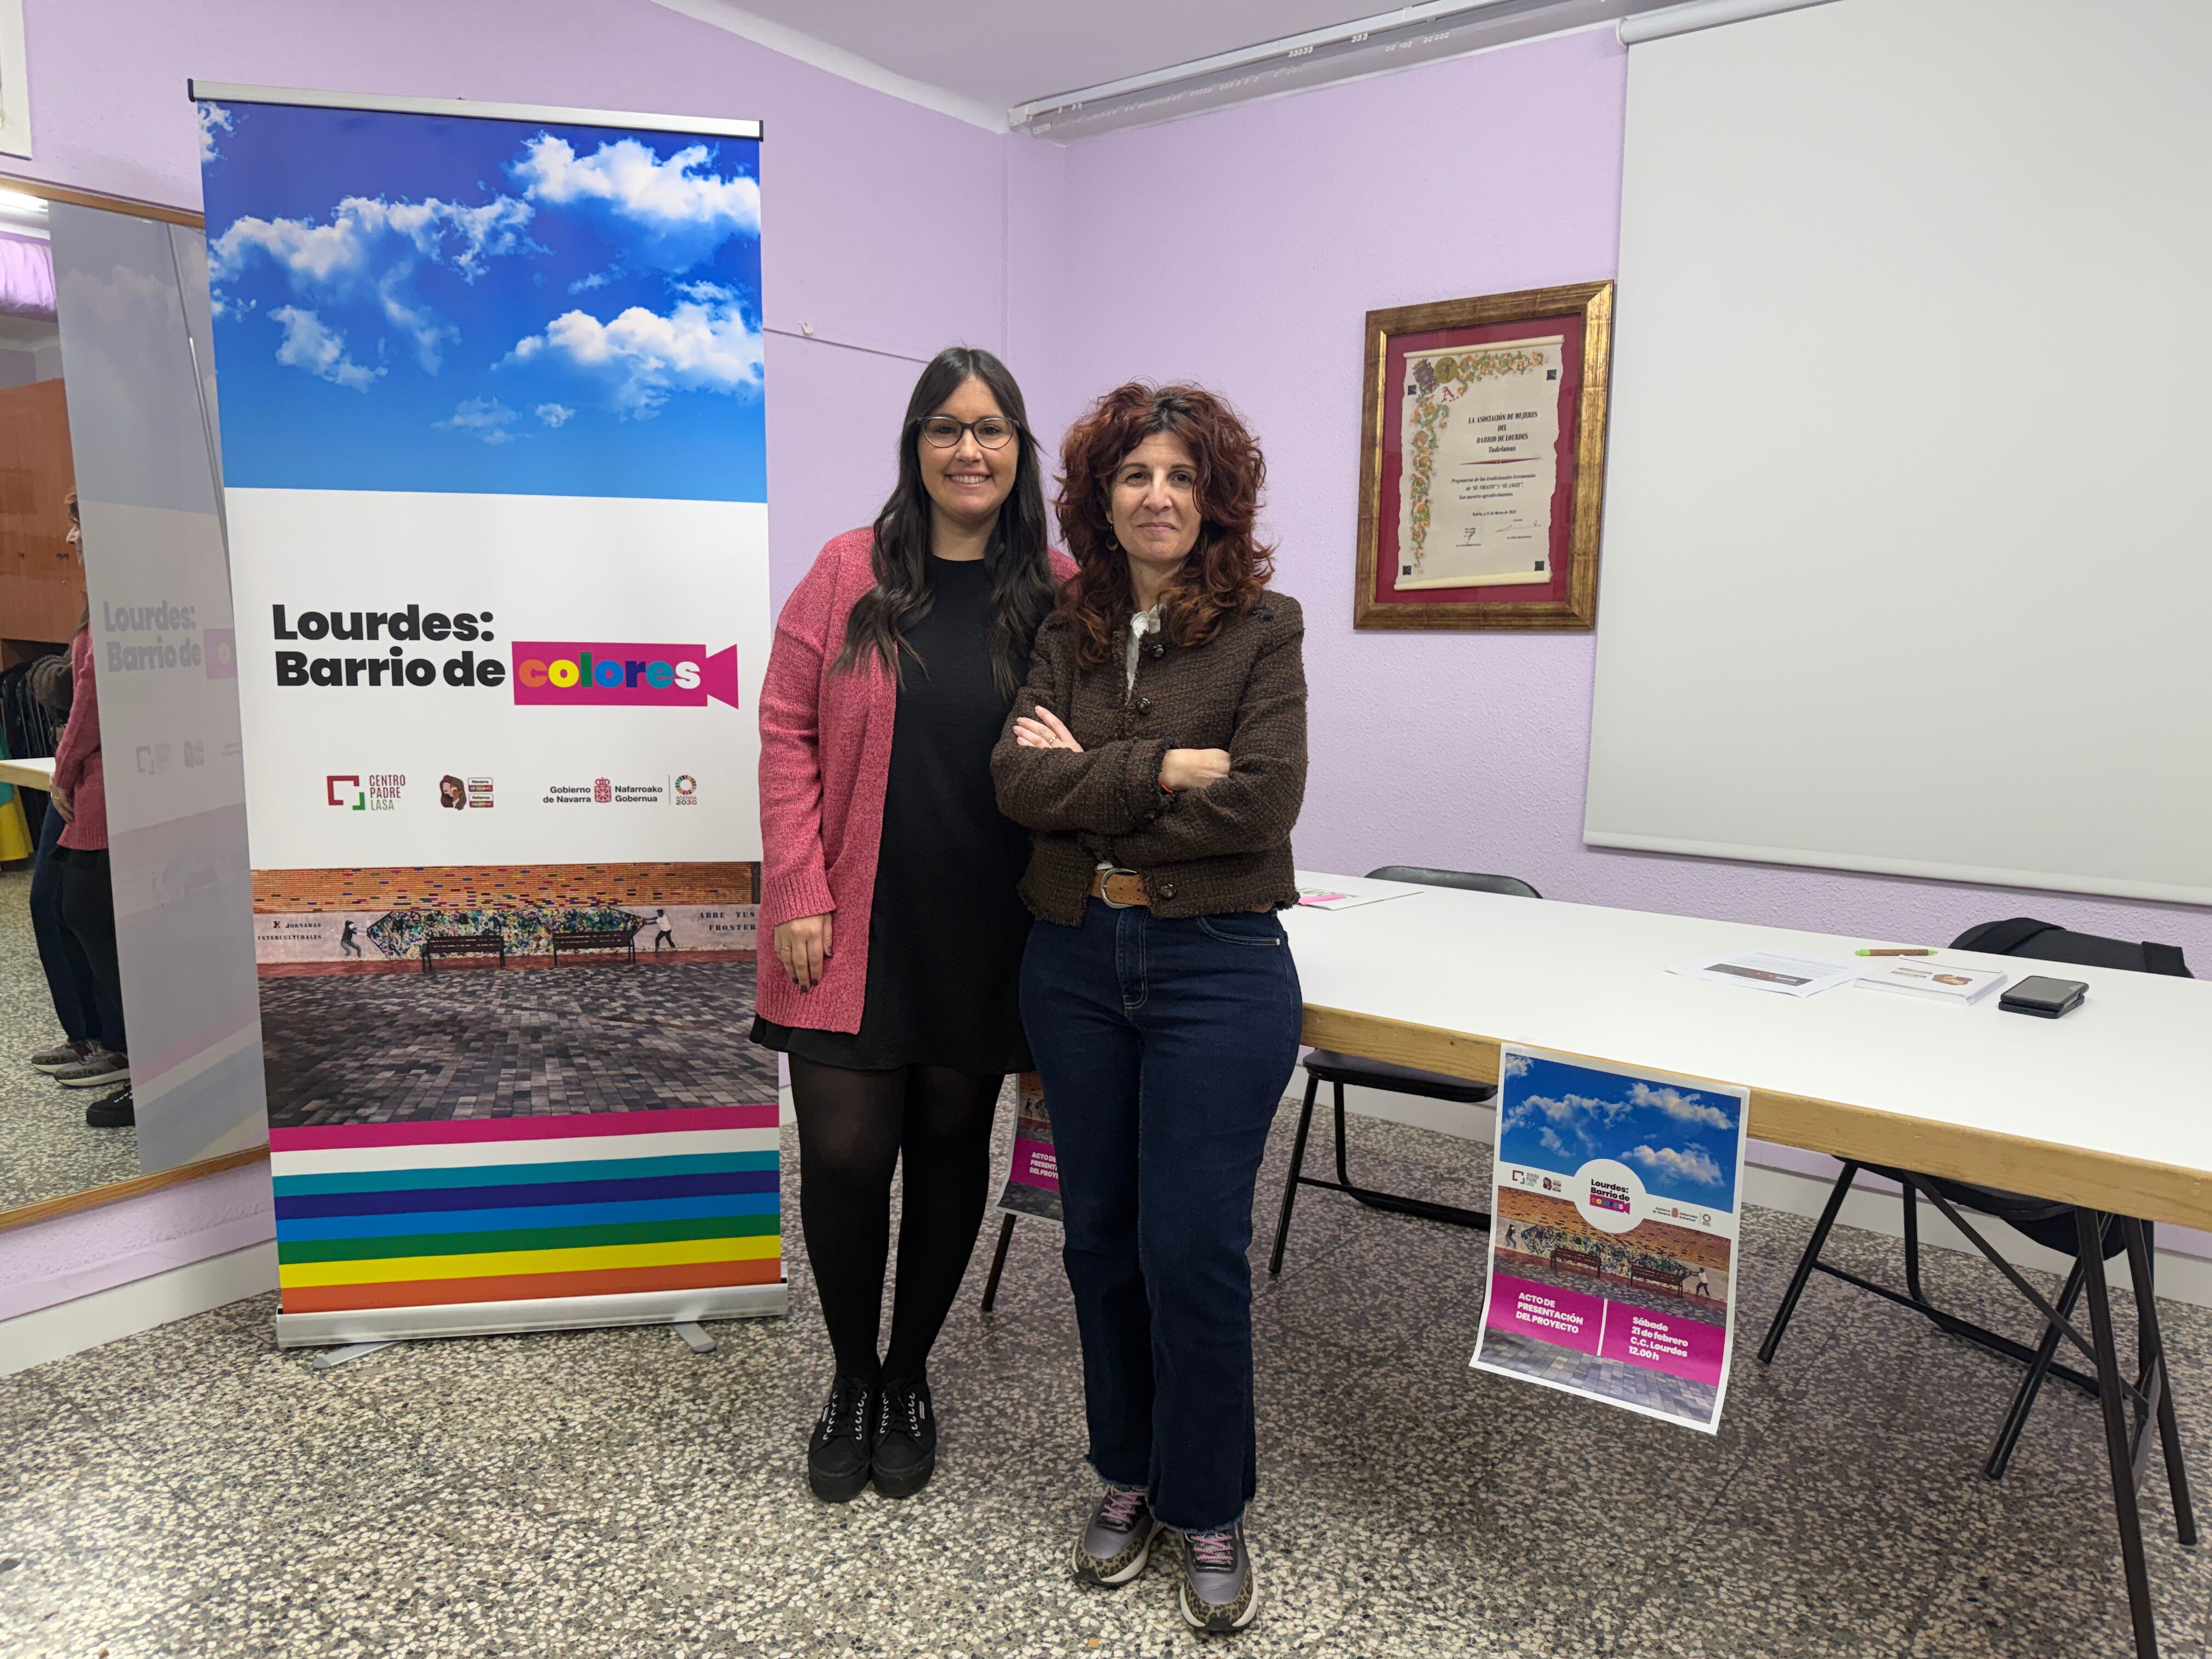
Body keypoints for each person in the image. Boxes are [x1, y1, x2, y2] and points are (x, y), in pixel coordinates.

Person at [992, 382, 1306, 1634]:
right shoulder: (1066, 621)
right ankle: (1126, 1476)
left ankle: (1210, 1501)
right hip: (1073, 957)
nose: (1159, 496)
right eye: (1135, 475)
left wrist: (1093, 777)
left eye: (1182, 475)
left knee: (1193, 1247)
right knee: (1099, 1239)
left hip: (1214, 962)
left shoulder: (1262, 629)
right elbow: (1016, 781)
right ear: (1101, 499)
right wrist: (1168, 766)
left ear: (1213, 495)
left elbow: (1264, 803)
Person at [753, 346, 1070, 1504]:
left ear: (1018, 450)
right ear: (917, 446)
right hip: (847, 922)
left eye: (992, 429)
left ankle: (909, 1373)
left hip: (987, 927)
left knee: (948, 1154)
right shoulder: (849, 572)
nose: (969, 450)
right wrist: (798, 885)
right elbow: (786, 729)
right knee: (843, 1155)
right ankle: (847, 1376)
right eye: (947, 428)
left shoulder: (1061, 591)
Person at [46, 490, 133, 1126]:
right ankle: (118, 1048)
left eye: (77, 526)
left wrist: (65, 766)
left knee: (88, 916)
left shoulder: (117, 605)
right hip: (100, 787)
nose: (69, 539)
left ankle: (136, 1058)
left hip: (106, 791)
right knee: (76, 913)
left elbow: (92, 698)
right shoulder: (103, 601)